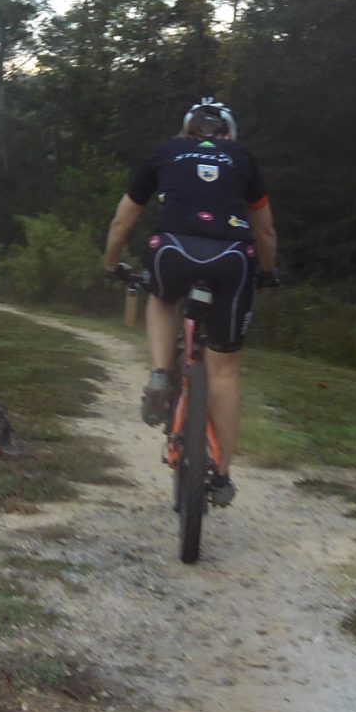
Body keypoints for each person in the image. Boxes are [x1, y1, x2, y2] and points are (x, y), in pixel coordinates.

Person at [101, 97, 280, 503]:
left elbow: (123, 219)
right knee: (224, 373)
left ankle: (161, 372)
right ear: (228, 134)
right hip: (232, 260)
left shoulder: (165, 152)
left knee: (162, 297)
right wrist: (267, 273)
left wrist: (112, 264)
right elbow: (265, 232)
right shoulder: (243, 159)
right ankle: (221, 475)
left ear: (187, 130)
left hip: (173, 251)